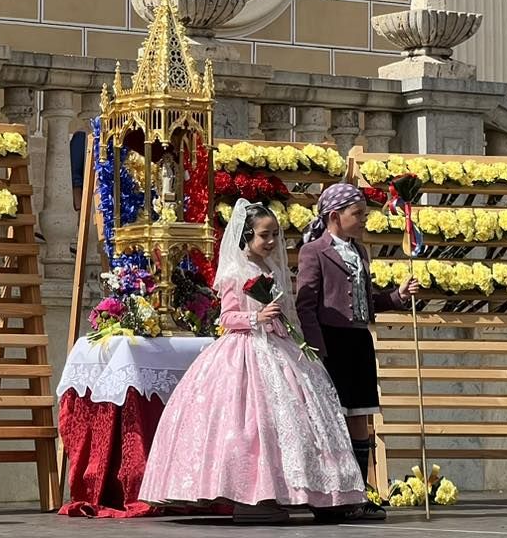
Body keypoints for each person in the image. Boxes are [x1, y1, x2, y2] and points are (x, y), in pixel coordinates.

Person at [139, 200, 366, 522]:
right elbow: (227, 317)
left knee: (296, 419)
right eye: (264, 235)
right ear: (246, 236)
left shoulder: (271, 269)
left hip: (277, 346)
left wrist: (288, 331)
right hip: (244, 349)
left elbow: (283, 311)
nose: (272, 241)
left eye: (275, 234)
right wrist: (255, 317)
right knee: (249, 423)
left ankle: (306, 493)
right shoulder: (235, 272)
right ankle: (252, 498)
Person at [296, 184, 420, 519]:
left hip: (358, 341)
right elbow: (305, 305)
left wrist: (398, 296)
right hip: (331, 342)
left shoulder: (360, 251)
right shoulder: (314, 252)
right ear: (335, 216)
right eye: (358, 214)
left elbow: (368, 300)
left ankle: (358, 492)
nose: (364, 219)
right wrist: (316, 349)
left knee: (360, 416)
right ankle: (331, 495)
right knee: (332, 417)